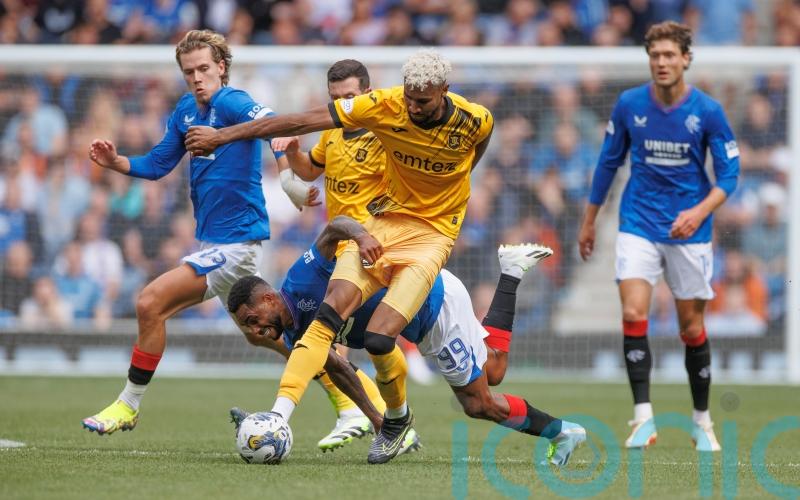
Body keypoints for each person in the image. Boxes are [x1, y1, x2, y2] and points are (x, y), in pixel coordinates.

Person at [186, 49, 494, 464]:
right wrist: (291, 155)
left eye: (349, 96)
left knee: (349, 334)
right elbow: (308, 169)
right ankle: (368, 418)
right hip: (343, 242)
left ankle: (366, 413)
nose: (342, 103)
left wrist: (222, 136)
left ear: (366, 93)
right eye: (335, 97)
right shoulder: (335, 135)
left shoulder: (386, 126)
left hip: (378, 242)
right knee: (318, 336)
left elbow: (461, 144)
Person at [80, 29, 325, 436]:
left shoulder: (232, 101)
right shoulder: (185, 110)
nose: (196, 78)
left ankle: (128, 404)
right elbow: (158, 164)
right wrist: (118, 162)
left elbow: (275, 127)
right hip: (214, 242)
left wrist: (287, 179)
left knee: (150, 303)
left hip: (237, 244)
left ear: (221, 67)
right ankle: (350, 399)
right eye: (189, 71)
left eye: (204, 69)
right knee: (268, 337)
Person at [227, 215, 586, 466]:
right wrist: (377, 421)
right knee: (492, 372)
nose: (256, 331)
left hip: (434, 307)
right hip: (421, 319)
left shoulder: (303, 278)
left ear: (269, 298)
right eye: (248, 327)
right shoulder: (295, 333)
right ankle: (511, 270)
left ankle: (563, 432)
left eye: (253, 320)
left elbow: (335, 226)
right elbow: (338, 368)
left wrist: (362, 236)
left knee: (481, 403)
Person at [578, 21, 740, 452]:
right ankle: (643, 418)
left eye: (669, 55)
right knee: (634, 312)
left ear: (686, 59)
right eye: (655, 56)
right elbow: (608, 163)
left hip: (690, 230)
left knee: (691, 327)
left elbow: (730, 175)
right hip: (638, 222)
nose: (662, 62)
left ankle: (702, 421)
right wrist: (590, 220)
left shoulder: (708, 111)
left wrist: (699, 212)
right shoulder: (629, 104)